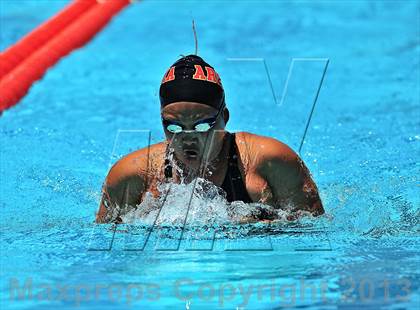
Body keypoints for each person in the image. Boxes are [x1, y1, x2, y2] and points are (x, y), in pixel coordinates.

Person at [96, 54, 324, 223]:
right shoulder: (132, 176)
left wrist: (263, 227)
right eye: (173, 127)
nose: (188, 138)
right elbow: (104, 250)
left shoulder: (269, 161)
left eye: (202, 125)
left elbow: (316, 231)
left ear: (225, 117)